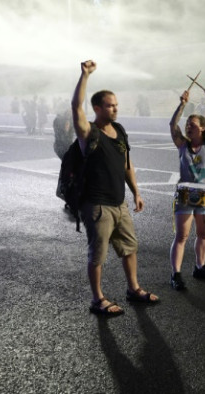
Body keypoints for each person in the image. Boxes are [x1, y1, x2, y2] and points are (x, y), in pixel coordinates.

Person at [71, 59, 158, 316]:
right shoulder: (89, 132)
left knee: (130, 248)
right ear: (97, 108)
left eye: (116, 105)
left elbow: (127, 163)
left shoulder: (119, 130)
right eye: (110, 106)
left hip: (119, 203)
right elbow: (76, 107)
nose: (115, 109)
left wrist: (136, 193)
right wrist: (85, 76)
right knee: (98, 254)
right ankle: (97, 299)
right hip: (97, 204)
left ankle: (133, 289)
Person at [168, 87, 205, 290]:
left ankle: (200, 267)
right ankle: (176, 274)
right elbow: (173, 124)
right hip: (185, 194)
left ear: (202, 128)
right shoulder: (182, 144)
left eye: (192, 125)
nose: (187, 127)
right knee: (181, 236)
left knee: (203, 234)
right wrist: (182, 104)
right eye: (187, 125)